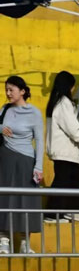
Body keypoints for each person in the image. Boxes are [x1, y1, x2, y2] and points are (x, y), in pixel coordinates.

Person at [45, 72, 79, 223]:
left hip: (63, 151)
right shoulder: (64, 103)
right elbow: (73, 128)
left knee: (71, 179)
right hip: (64, 151)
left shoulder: (56, 102)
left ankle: (68, 211)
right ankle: (54, 213)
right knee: (67, 181)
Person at [0, 76, 44, 254]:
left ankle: (25, 241)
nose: (8, 93)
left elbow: (39, 141)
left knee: (27, 199)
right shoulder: (4, 109)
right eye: (6, 90)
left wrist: (38, 166)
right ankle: (3, 240)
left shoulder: (34, 113)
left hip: (26, 160)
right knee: (4, 198)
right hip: (5, 159)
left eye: (11, 90)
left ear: (22, 91)